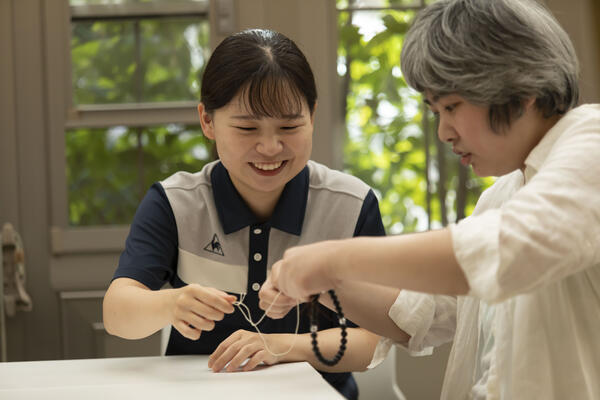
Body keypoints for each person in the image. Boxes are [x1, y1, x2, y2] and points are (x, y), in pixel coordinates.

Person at [260, 1, 600, 399]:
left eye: (452, 106)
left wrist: (334, 257)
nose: (444, 132)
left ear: (520, 89)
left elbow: (505, 248)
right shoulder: (502, 197)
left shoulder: (591, 144)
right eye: (436, 111)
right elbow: (422, 315)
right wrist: (321, 282)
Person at [102, 28, 386, 400]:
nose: (270, 147)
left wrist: (281, 347)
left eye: (289, 126)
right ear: (207, 121)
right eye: (247, 127)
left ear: (313, 115)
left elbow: (373, 342)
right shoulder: (175, 203)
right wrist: (169, 304)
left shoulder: (351, 206)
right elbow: (117, 312)